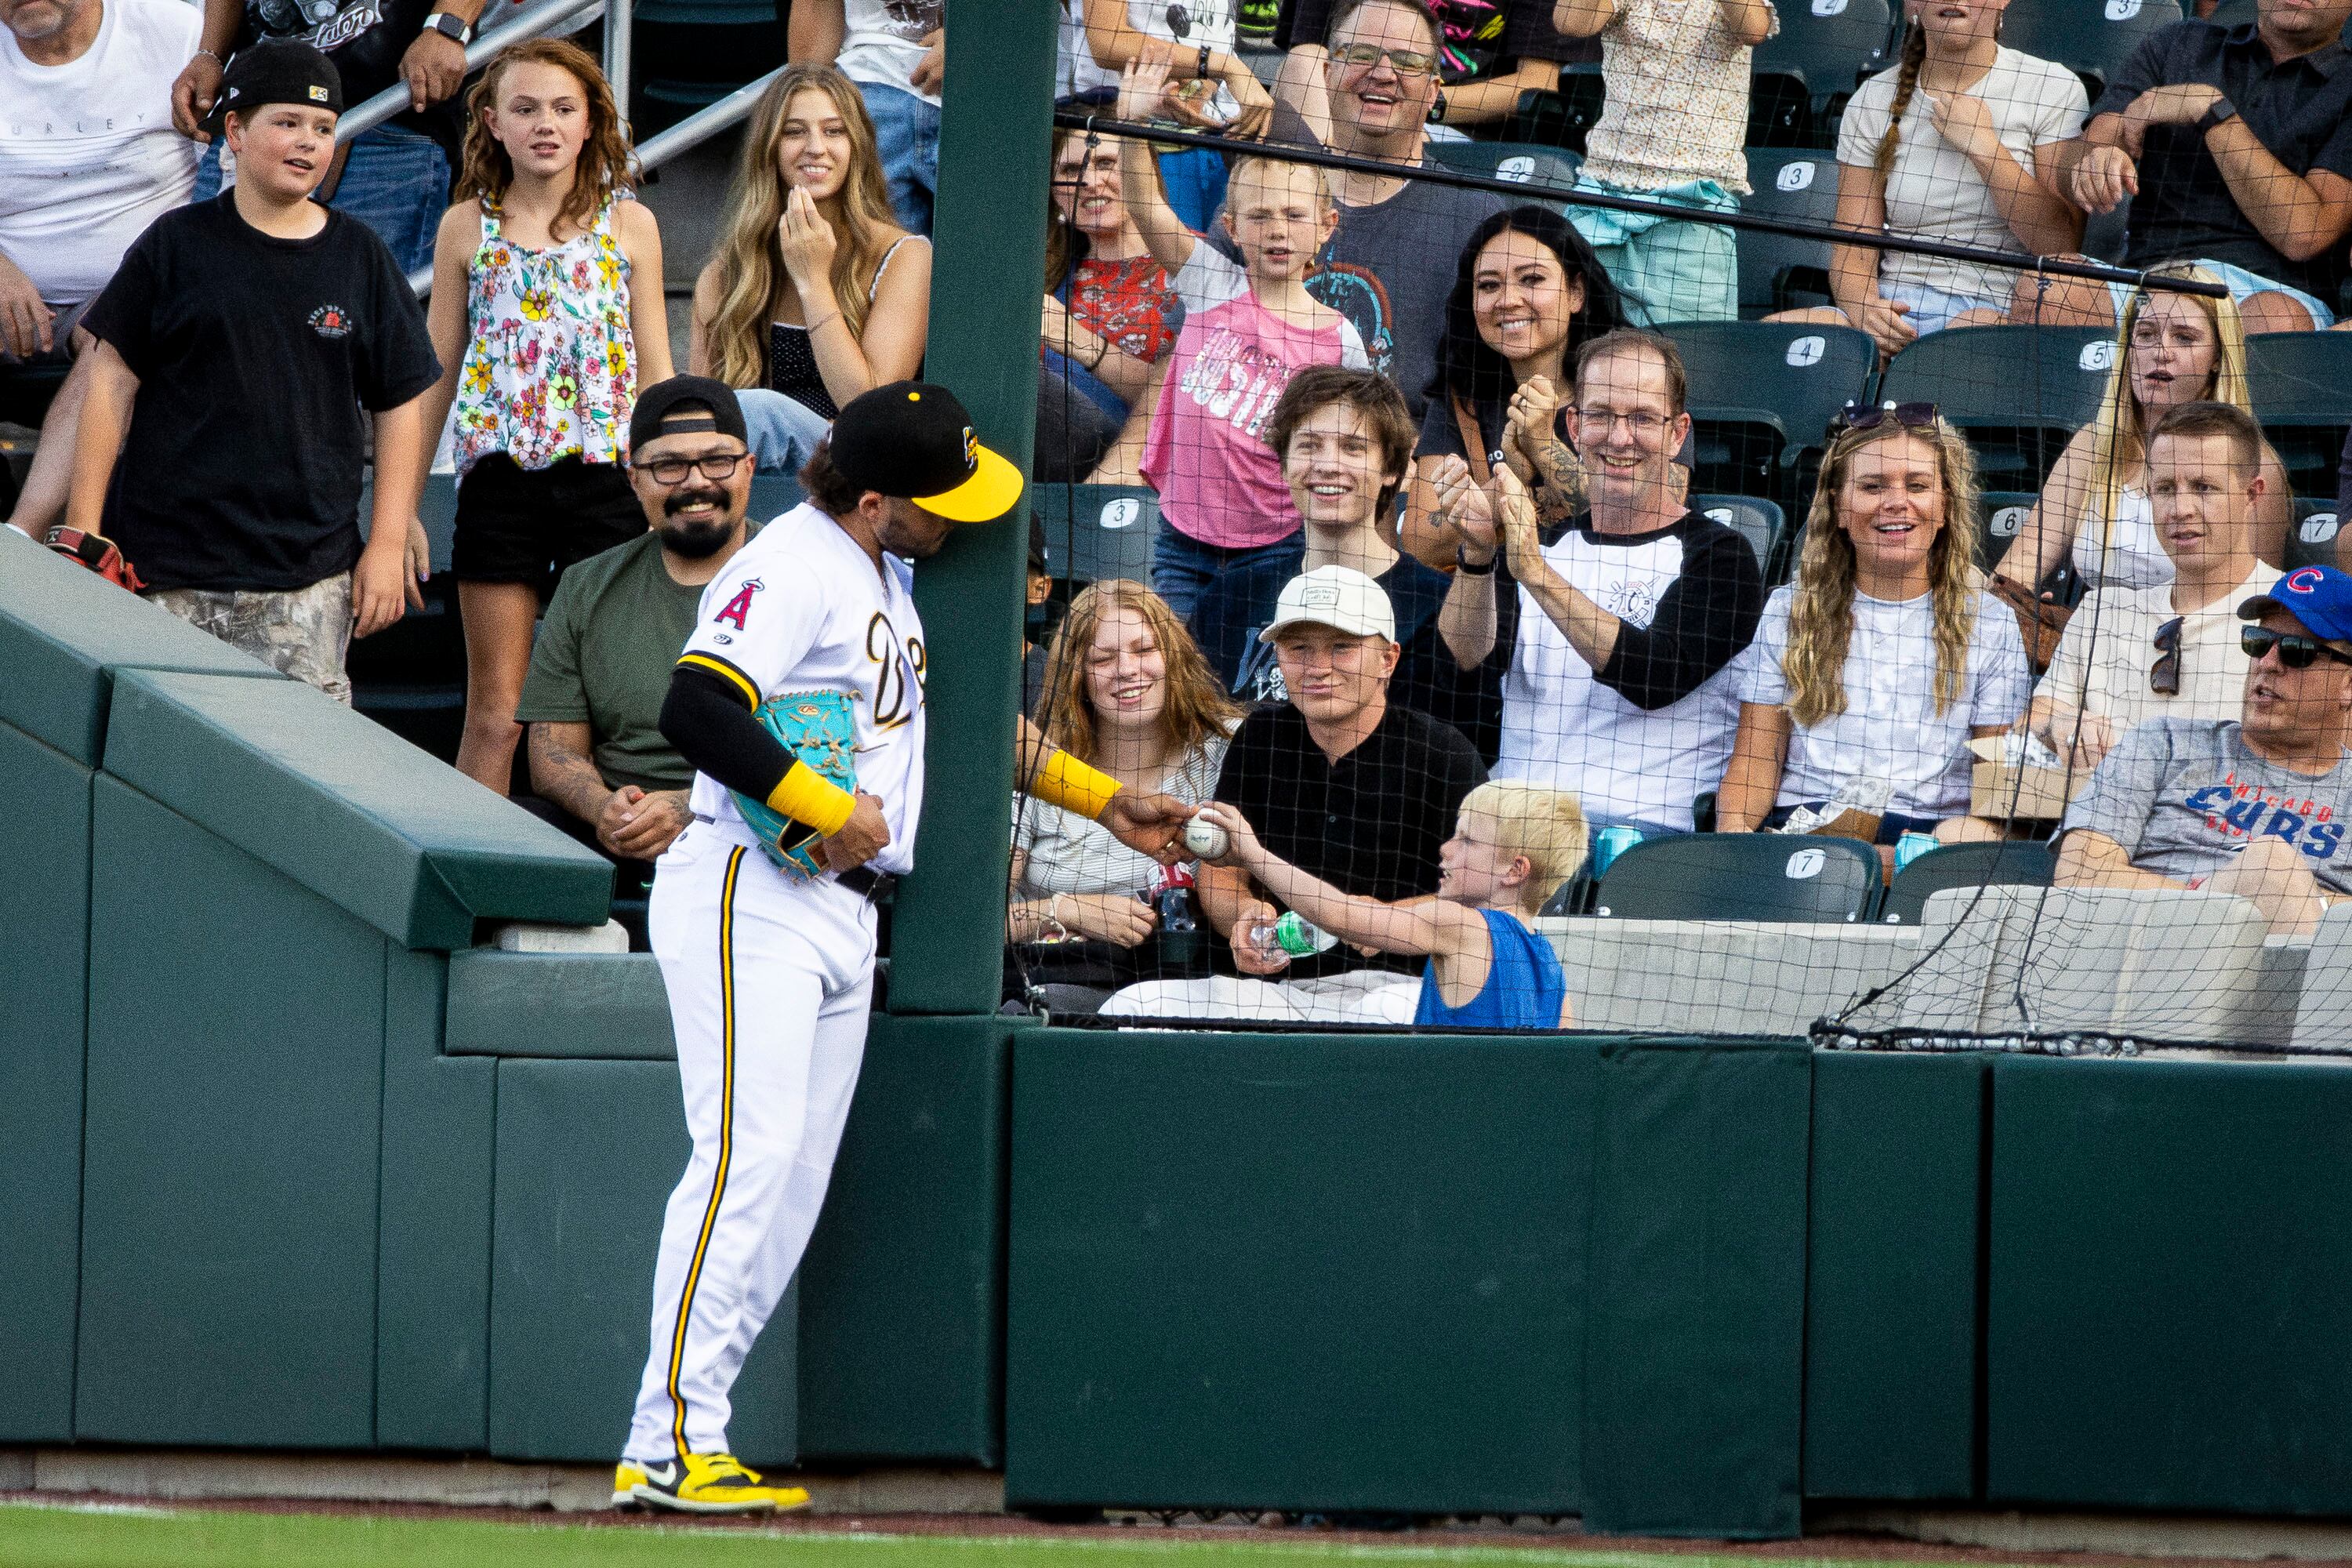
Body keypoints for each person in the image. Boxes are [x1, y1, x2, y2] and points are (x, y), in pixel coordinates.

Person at [613, 381, 1189, 1512]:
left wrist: (1102, 798)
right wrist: (816, 805)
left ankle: (692, 1435)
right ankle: (664, 1442)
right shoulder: (790, 563)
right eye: (937, 498)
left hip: (838, 903)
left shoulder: (881, 572)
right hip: (750, 886)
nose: (958, 515)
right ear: (875, 499)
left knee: (786, 1185)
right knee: (745, 1161)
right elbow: (696, 710)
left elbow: (942, 738)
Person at [66, 44, 438, 700]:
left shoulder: (360, 254)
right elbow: (108, 382)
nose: (308, 143)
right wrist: (86, 527)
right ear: (234, 132)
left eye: (323, 129)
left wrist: (384, 541)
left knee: (302, 780)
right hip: (163, 568)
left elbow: (402, 403)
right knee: (161, 775)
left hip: (308, 576)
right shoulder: (173, 243)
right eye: (287, 123)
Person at [412, 39, 672, 794]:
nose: (545, 125)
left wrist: (663, 476)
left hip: (608, 480)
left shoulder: (632, 226)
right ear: (492, 122)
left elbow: (656, 368)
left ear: (591, 123)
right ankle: (471, 890)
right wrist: (400, 509)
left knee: (603, 709)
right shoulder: (467, 226)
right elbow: (438, 373)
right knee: (496, 713)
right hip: (501, 481)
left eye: (564, 109)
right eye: (524, 109)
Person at [1104, 564, 1489, 1024]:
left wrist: (1384, 920)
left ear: (1388, 659)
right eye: (1298, 648)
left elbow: (1483, 899)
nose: (1317, 667)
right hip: (1274, 987)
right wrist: (1243, 916)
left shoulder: (1444, 753)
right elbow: (1221, 870)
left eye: (1342, 648)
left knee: (1383, 1013)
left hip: (1401, 985)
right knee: (1133, 1006)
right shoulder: (1261, 736)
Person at [1437, 328, 1765, 834]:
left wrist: (1536, 575)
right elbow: (1466, 656)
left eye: (1641, 418)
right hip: (1510, 825)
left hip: (1639, 835)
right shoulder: (1541, 545)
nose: (1619, 437)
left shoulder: (1720, 554)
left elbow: (1657, 678)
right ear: (1573, 425)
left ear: (1678, 433)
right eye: (1601, 415)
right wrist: (1479, 556)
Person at [1116, 56, 1370, 619]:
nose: (1277, 229)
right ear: (1230, 228)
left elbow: (1354, 447)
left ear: (1325, 228)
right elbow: (1146, 207)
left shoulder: (1340, 340)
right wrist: (1133, 128)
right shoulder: (1212, 284)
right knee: (1183, 674)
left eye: (1294, 215)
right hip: (1185, 537)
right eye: (1258, 217)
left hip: (1280, 542)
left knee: (1250, 681)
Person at [1717, 405, 2031, 858]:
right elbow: (1754, 765)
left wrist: (1906, 857)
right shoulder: (1789, 608)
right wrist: (1735, 836)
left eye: (1918, 485)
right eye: (1871, 486)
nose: (1896, 502)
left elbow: (1995, 792)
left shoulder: (1991, 621)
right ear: (1840, 509)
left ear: (1945, 507)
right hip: (1802, 830)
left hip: (1926, 842)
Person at [514, 378, 762, 921]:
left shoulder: (800, 581)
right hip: (618, 836)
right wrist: (604, 808)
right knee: (515, 829)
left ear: (748, 468)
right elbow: (553, 756)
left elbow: (821, 753)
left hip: (758, 833)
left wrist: (689, 807)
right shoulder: (586, 586)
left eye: (717, 461)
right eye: (668, 466)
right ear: (634, 479)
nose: (696, 483)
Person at [1766, 0, 2085, 354]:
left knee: (1970, 330)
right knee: (1771, 336)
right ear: (1911, 4)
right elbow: (1853, 247)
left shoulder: (2052, 86)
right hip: (1895, 309)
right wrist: (1865, 311)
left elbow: (2059, 246)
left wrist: (1984, 147)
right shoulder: (1873, 99)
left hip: (1995, 308)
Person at [2056, 563, 2352, 936]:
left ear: (2349, 685)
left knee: (2274, 870)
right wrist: (2238, 898)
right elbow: (2080, 873)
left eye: (2297, 652)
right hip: (2138, 953)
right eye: (2259, 643)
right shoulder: (2164, 742)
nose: (2268, 664)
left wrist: (2284, 895)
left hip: (2295, 976)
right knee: (2272, 867)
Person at [1997, 270, 2289, 637]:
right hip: (2090, 646)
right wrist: (2012, 606)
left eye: (2184, 338)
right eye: (2146, 335)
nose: (2161, 352)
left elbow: (2256, 607)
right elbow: (2017, 570)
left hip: (2202, 650)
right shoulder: (2093, 446)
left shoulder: (2256, 465)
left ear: (2218, 357)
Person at [0, 0, 199, 539]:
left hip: (132, 292)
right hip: (8, 291)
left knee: (115, 326)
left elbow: (233, 170)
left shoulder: (174, 31)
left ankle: (21, 537)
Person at [1261, 0, 1507, 423]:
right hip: (1255, 454)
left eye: (1408, 63)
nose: (1383, 73)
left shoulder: (1478, 219)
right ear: (1326, 73)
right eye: (1360, 54)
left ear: (1433, 92)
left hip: (1400, 465)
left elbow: (1485, 388)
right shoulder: (1267, 192)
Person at [2039, 0, 2352, 332]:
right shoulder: (2180, 42)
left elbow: (2303, 234)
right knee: (2047, 290)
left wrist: (2212, 111)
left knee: (2274, 318)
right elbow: (2090, 151)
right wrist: (2099, 161)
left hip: (2268, 290)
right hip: (2151, 275)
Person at [1187, 366, 1465, 733]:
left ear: (1391, 470)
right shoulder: (1230, 598)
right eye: (1308, 445)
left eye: (1353, 447)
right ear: (1284, 466)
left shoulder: (1439, 604)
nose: (1328, 466)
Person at [691, 64, 930, 472]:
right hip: (756, 476)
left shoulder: (905, 255)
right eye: (794, 131)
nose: (816, 147)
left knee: (759, 412)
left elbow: (869, 409)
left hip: (856, 468)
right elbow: (701, 417)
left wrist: (813, 281)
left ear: (857, 145)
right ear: (769, 147)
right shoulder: (726, 274)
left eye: (834, 131)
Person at [1008, 579, 1243, 993]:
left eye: (1144, 649)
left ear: (1173, 656)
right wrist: (1069, 910)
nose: (1127, 669)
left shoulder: (1229, 748)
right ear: (1076, 674)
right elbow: (969, 923)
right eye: (1102, 658)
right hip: (1067, 984)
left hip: (1199, 984)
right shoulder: (1036, 765)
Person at [1192, 780, 1581, 1026]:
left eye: (1467, 841)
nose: (1445, 849)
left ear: (1515, 870)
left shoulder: (1459, 924)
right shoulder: (1550, 964)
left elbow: (1337, 914)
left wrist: (1254, 855)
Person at [2032, 401, 2283, 773]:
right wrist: (2059, 725)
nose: (2180, 509)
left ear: (2252, 494)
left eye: (2203, 488)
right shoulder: (2103, 611)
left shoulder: (2293, 614)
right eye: (2165, 489)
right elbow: (2031, 722)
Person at [172, 0, 485, 276]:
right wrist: (210, 53)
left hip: (382, 121)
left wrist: (447, 26)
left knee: (351, 324)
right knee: (209, 300)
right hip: (253, 115)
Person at [1406, 204, 1626, 569]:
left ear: (1576, 293)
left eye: (1532, 279)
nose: (1507, 300)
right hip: (1494, 607)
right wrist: (1511, 477)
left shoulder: (1634, 387)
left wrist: (1542, 446)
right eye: (1489, 285)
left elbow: (1643, 520)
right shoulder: (1463, 404)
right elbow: (1423, 546)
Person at [1552, 0, 1775, 325]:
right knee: (1589, 350)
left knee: (1684, 357)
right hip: (1604, 192)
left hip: (1692, 205)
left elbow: (1752, 27)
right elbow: (1571, 21)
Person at [1036, 125, 1176, 482]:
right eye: (1070, 170)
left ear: (1144, 171)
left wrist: (1076, 339)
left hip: (1172, 471)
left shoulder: (1199, 264)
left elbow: (1190, 398)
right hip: (1055, 475)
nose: (1089, 181)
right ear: (1053, 192)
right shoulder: (1041, 276)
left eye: (1106, 162)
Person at [1278, 0, 1582, 136]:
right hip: (1341, 113)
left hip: (1457, 131)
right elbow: (1306, 53)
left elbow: (1538, 82)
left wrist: (1421, 106)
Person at [788, 0, 943, 236]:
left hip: (986, 88)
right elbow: (815, 9)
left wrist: (975, 38)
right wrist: (804, 111)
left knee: (991, 257)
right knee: (870, 260)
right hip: (866, 86)